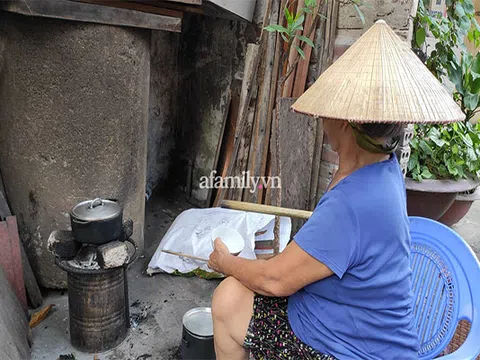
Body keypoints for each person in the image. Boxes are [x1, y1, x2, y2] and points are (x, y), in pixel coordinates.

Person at [208, 118, 419, 360]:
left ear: (344, 122)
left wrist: (224, 262)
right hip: (355, 326)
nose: (320, 120)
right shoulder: (384, 168)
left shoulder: (351, 203)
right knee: (236, 292)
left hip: (349, 349)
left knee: (227, 301)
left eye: (324, 114)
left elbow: (273, 280)